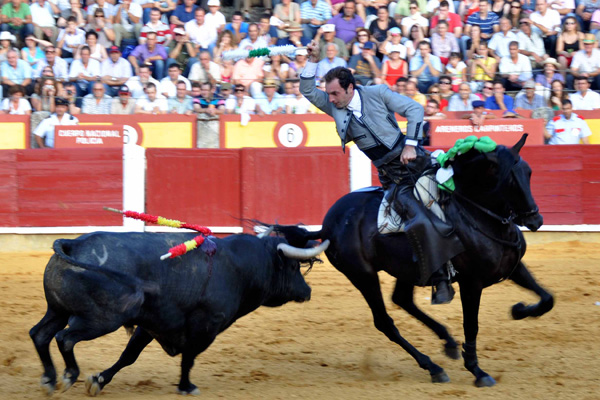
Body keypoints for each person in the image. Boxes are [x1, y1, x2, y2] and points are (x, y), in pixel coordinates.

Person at [300, 40, 462, 304]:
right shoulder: (335, 108)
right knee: (417, 217)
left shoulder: (377, 93)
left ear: (350, 88)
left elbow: (415, 109)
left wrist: (410, 144)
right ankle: (440, 278)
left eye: (334, 94)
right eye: (328, 95)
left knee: (456, 193)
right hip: (393, 177)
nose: (329, 100)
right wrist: (313, 60)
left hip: (416, 161)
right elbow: (307, 89)